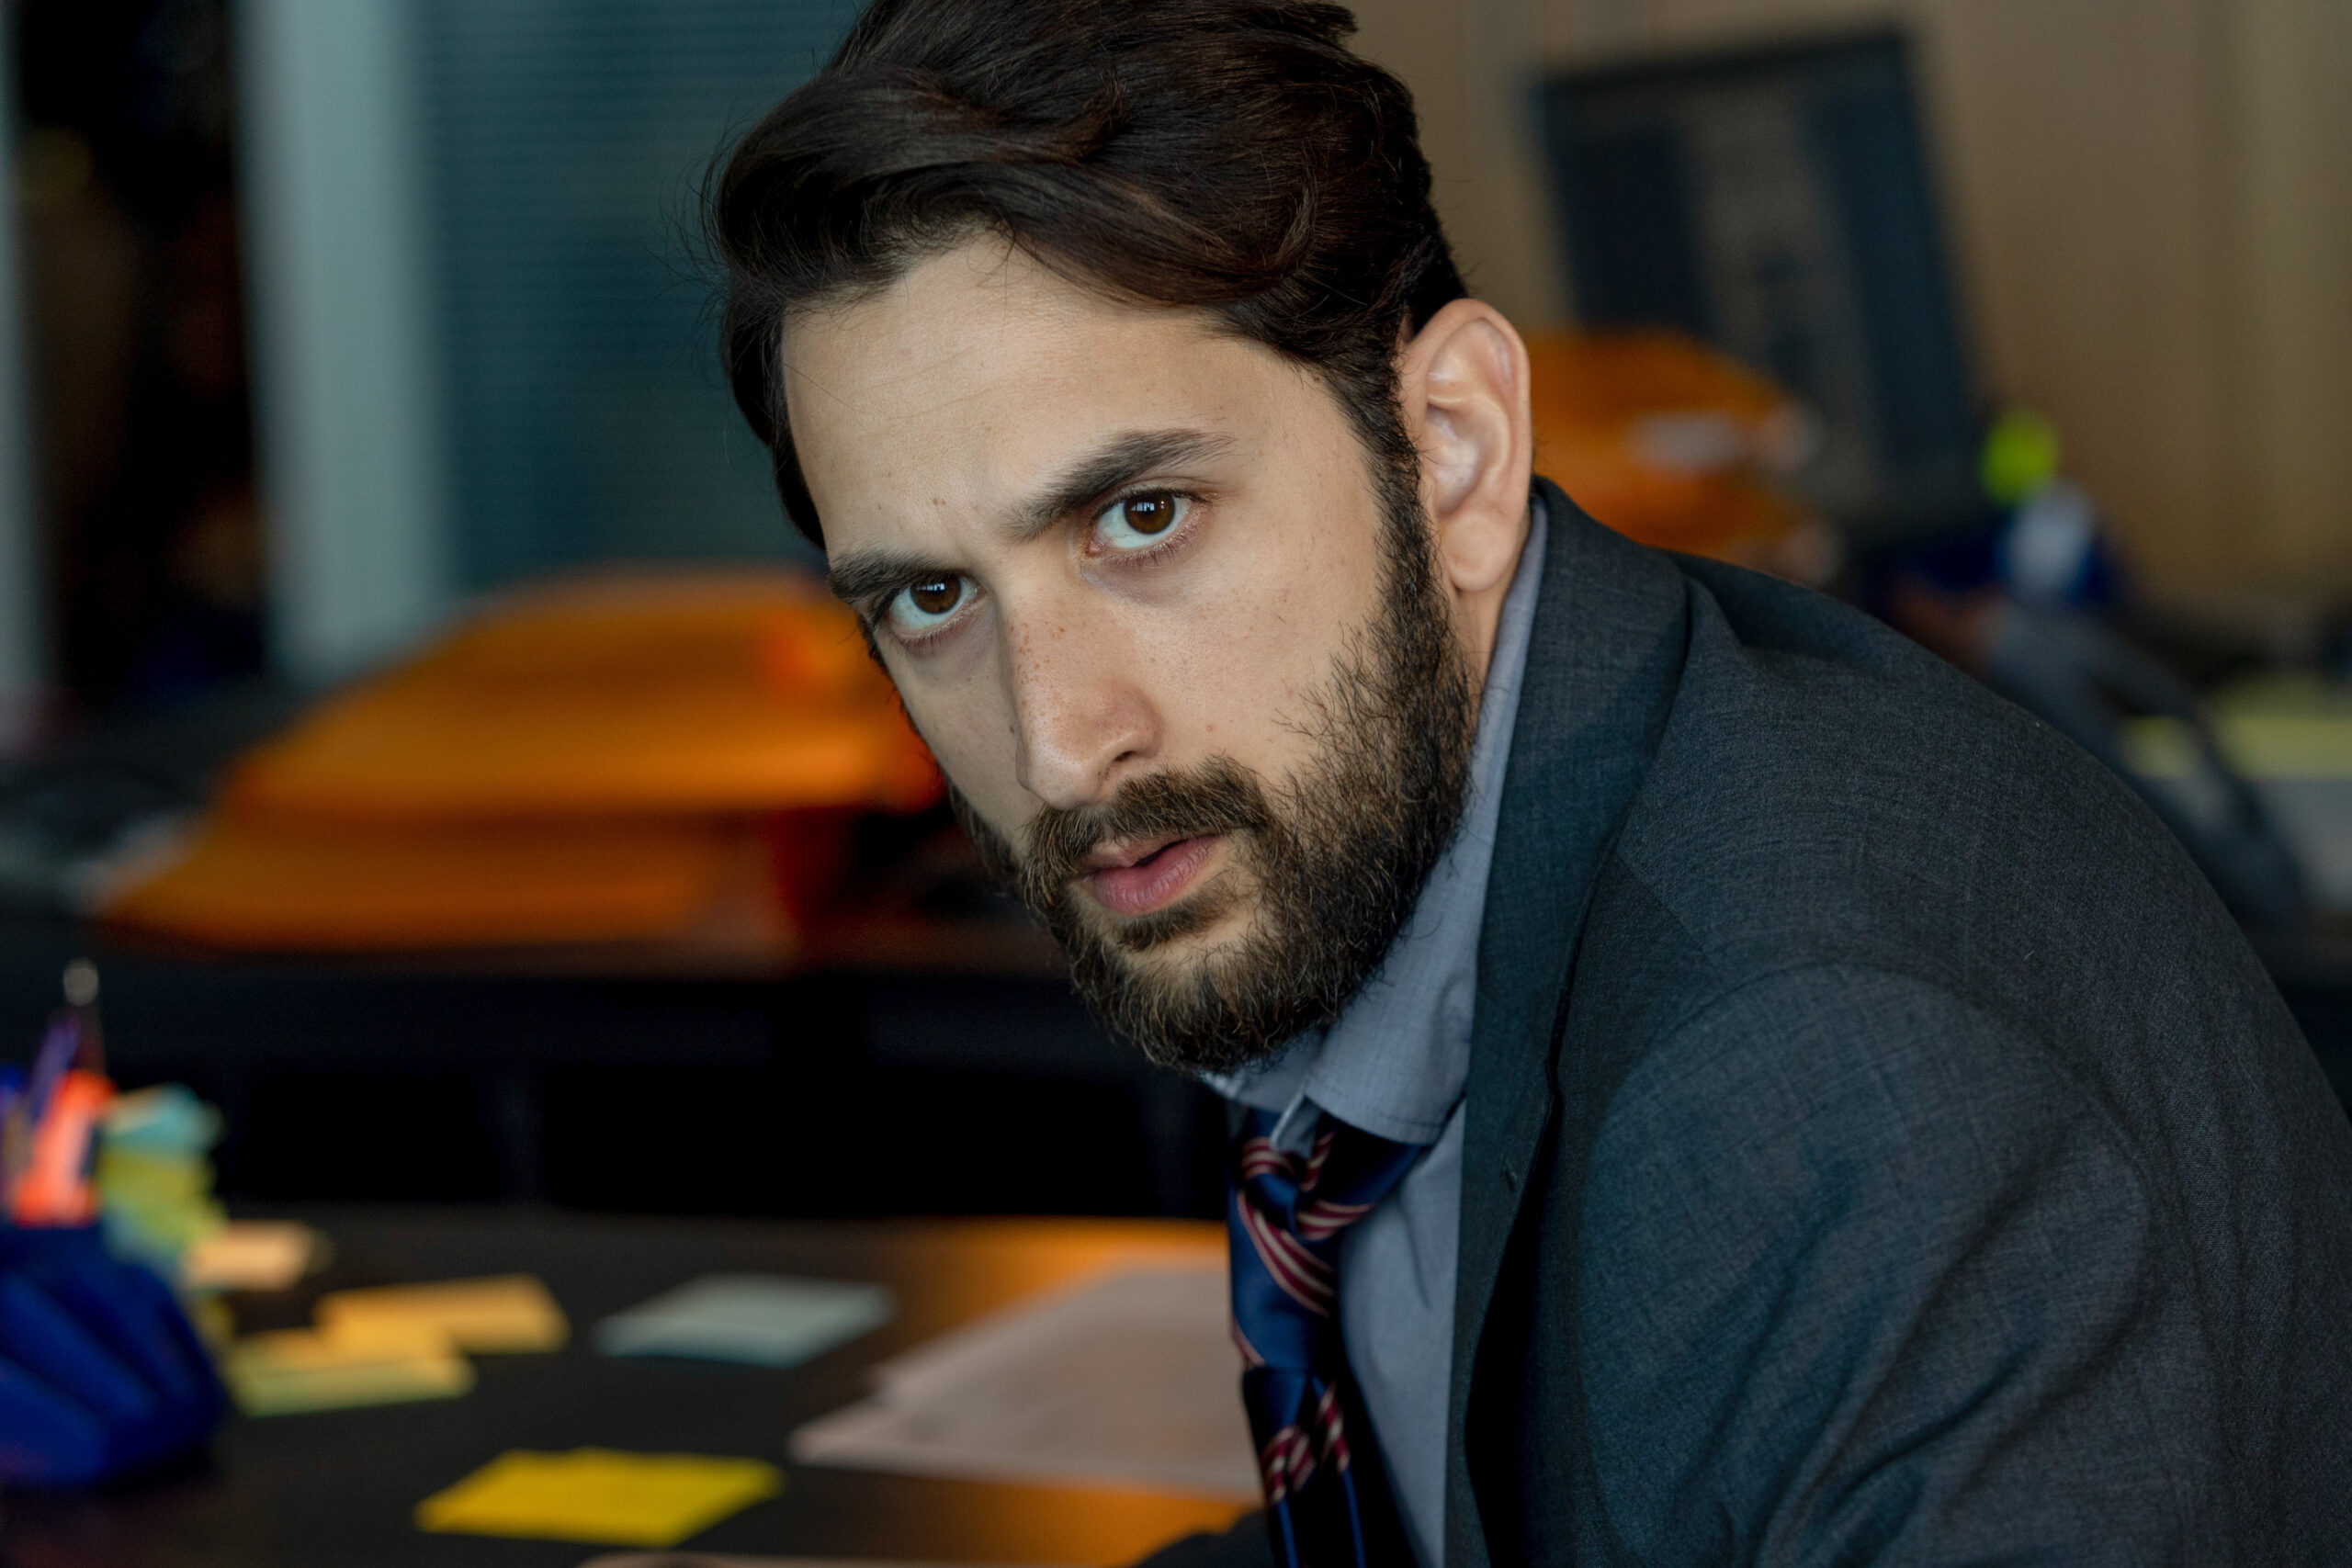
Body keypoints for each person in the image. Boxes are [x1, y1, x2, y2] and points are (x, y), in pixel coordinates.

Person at [707, 3, 2352, 1562]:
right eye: (931, 601)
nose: (1063, 744)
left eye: (1144, 519)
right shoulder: (1424, 852)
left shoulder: (1824, 1081)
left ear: (1456, 449)